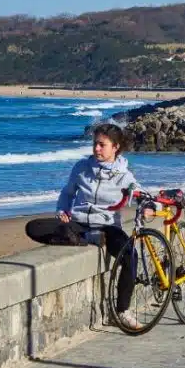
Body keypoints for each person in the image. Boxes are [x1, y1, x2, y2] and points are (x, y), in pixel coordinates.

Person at [24, 124, 154, 331]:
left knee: (130, 255)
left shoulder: (124, 176)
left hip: (107, 224)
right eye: (95, 144)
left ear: (115, 147)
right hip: (79, 221)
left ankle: (122, 311)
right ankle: (87, 238)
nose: (96, 149)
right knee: (34, 227)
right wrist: (62, 210)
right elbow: (67, 193)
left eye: (102, 145)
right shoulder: (81, 168)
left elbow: (138, 193)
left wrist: (148, 207)